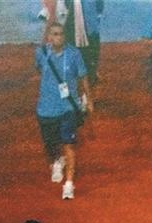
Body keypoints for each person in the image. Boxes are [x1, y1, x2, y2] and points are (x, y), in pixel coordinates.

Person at [35, 22, 93, 200]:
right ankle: (56, 161)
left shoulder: (74, 54)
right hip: (46, 108)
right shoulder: (41, 53)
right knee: (51, 145)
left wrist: (89, 99)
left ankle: (68, 184)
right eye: (54, 34)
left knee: (68, 144)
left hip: (67, 108)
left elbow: (83, 76)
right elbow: (40, 70)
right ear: (49, 37)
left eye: (61, 33)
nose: (58, 37)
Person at [43, 0, 104, 87]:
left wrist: (97, 17)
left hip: (89, 24)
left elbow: (99, 6)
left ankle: (91, 75)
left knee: (92, 50)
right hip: (71, 23)